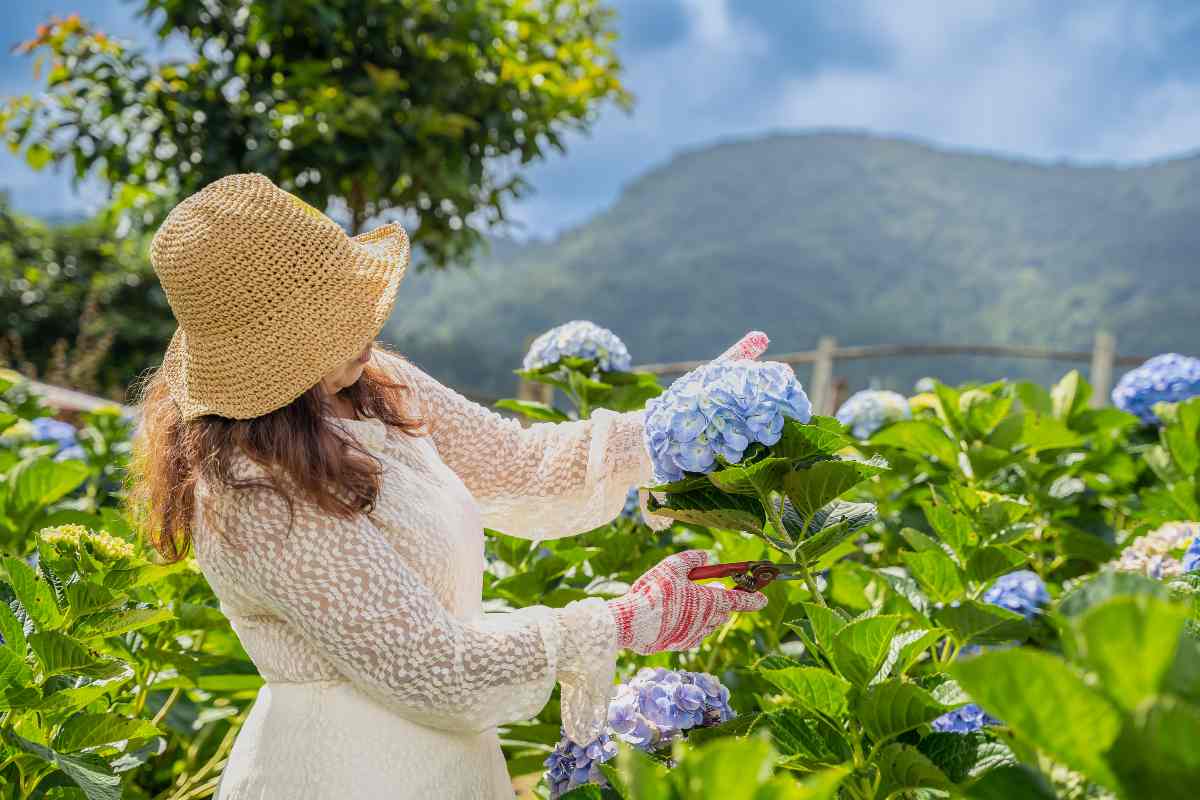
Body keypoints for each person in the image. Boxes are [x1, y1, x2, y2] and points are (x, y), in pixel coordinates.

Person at [127, 173, 767, 799]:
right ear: (273, 355)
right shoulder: (248, 491)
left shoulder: (369, 381)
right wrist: (628, 620)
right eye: (333, 323)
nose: (366, 329)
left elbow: (520, 464)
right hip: (342, 773)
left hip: (453, 766)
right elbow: (434, 669)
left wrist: (670, 425)